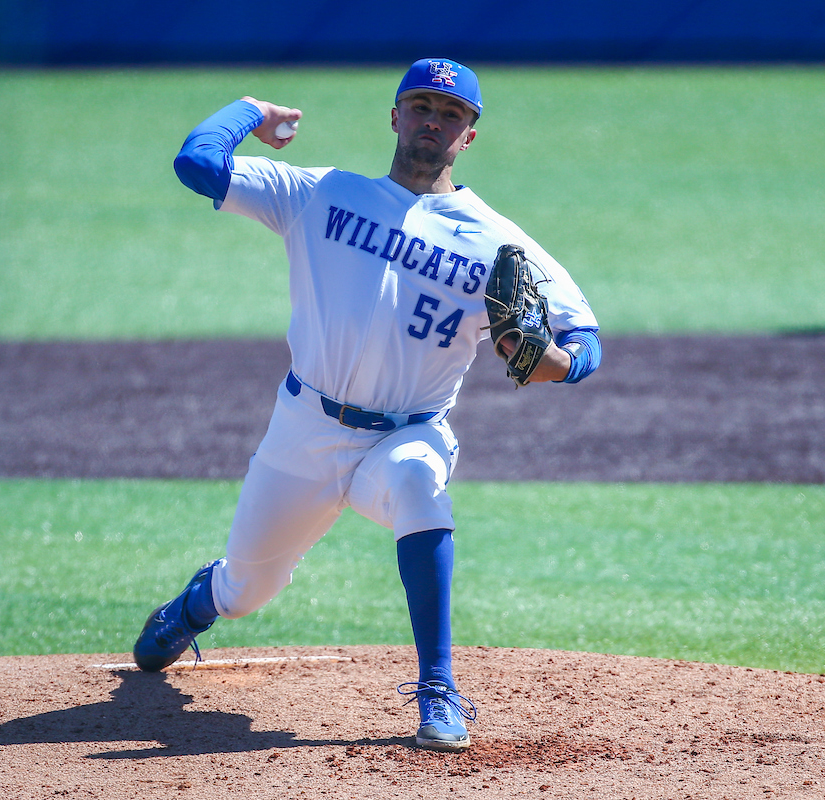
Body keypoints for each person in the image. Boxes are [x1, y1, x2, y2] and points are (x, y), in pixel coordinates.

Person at [133, 58, 602, 752]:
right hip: (305, 431)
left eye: (451, 114)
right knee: (246, 592)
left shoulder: (498, 240)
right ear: (394, 117)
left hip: (408, 436)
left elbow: (585, 341)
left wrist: (555, 363)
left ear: (469, 136)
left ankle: (438, 690)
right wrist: (250, 112)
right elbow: (197, 163)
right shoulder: (321, 195)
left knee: (419, 480)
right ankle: (196, 605)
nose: (433, 121)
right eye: (420, 107)